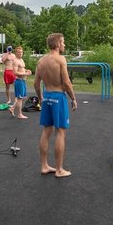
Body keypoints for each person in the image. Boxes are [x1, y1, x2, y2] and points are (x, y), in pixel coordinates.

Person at [34, 32, 77, 177]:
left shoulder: (41, 61)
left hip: (47, 96)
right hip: (58, 96)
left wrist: (41, 98)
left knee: (46, 131)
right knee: (60, 132)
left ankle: (44, 166)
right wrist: (73, 98)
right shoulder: (60, 60)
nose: (64, 45)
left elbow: (35, 83)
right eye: (63, 42)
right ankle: (59, 170)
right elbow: (66, 82)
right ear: (58, 44)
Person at [8, 46, 32, 119]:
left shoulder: (21, 60)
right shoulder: (15, 61)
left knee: (23, 97)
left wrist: (27, 70)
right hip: (19, 81)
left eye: (21, 52)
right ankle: (19, 114)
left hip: (23, 81)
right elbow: (15, 72)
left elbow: (22, 69)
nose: (20, 53)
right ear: (16, 53)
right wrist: (25, 74)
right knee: (20, 98)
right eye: (19, 52)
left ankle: (12, 108)